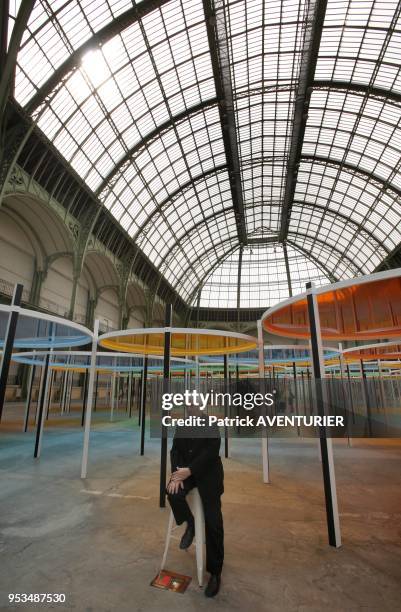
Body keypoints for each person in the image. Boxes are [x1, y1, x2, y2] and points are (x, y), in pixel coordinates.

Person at [166, 414, 224, 598]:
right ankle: (190, 524)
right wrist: (176, 475)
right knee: (172, 492)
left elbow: (211, 453)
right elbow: (175, 451)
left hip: (208, 475)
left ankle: (215, 573)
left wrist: (190, 470)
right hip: (186, 474)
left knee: (213, 522)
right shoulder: (182, 424)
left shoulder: (211, 424)